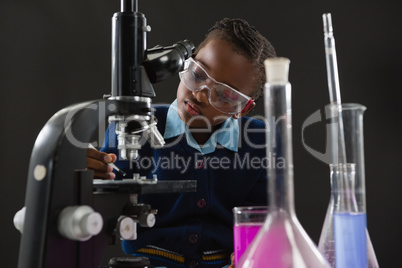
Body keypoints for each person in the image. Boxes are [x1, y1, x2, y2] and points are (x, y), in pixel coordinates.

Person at [87, 18, 276, 268]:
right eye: (198, 74)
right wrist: (88, 177)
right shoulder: (134, 124)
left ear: (243, 107)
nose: (200, 95)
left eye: (225, 95)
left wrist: (250, 253)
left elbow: (263, 222)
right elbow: (104, 199)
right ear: (186, 61)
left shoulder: (259, 140)